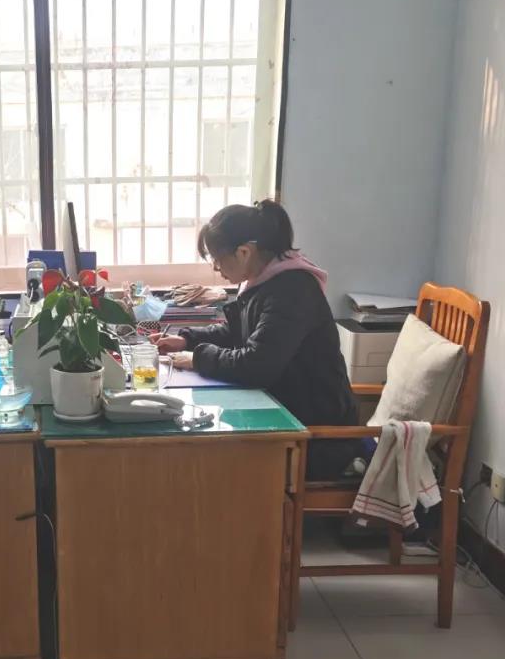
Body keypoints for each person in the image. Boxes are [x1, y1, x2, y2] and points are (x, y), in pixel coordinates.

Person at [151, 200, 360, 479]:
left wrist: (197, 359)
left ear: (244, 252)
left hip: (315, 436)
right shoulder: (262, 284)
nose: (216, 268)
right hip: (286, 416)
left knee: (208, 462)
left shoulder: (292, 290)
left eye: (217, 259)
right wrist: (186, 340)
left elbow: (257, 364)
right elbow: (236, 333)